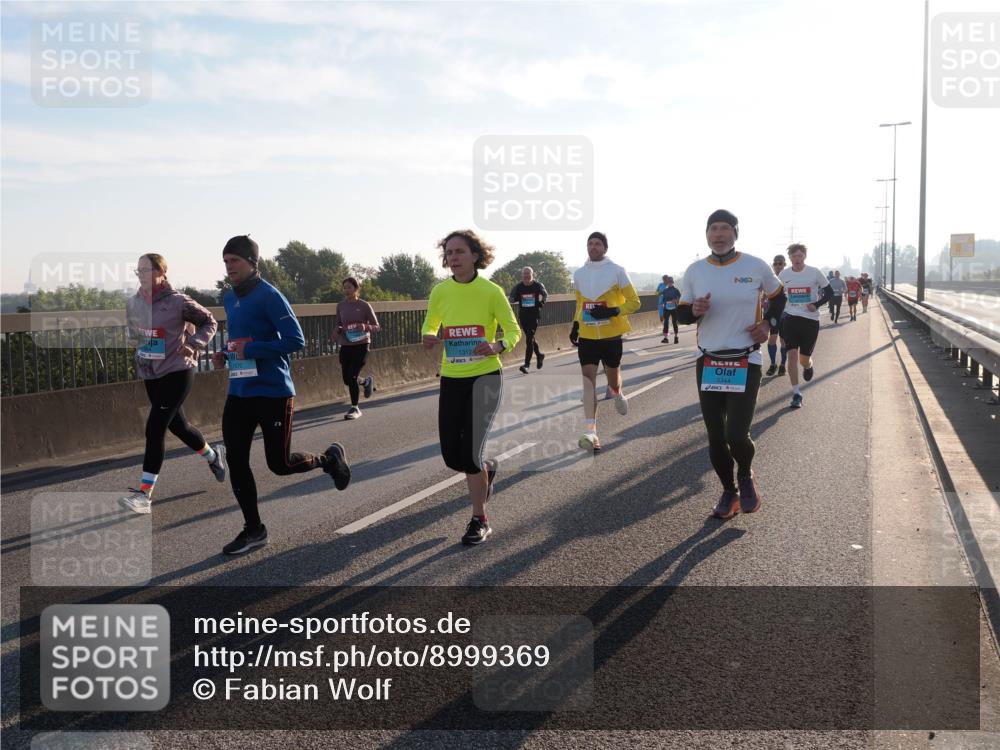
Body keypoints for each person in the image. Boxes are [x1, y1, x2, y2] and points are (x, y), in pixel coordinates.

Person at [211, 235, 352, 555]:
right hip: (240, 390)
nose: (229, 266)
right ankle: (254, 529)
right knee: (236, 458)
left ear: (251, 262)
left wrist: (255, 349)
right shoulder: (229, 298)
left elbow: (295, 340)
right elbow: (239, 339)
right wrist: (224, 353)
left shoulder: (270, 296)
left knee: (280, 464)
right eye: (225, 261)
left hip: (273, 392)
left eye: (234, 260)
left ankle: (328, 459)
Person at [676, 209, 786, 519]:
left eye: (725, 228)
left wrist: (768, 325)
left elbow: (780, 297)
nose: (719, 234)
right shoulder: (696, 270)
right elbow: (682, 314)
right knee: (715, 437)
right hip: (709, 360)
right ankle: (729, 491)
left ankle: (746, 476)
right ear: (707, 234)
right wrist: (695, 310)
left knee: (736, 434)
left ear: (735, 233)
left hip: (745, 359)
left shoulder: (755, 265)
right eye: (713, 229)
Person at [421, 229, 521, 545]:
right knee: (453, 456)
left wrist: (498, 345)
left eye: (459, 251)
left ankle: (480, 518)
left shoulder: (491, 292)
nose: (453, 258)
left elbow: (514, 331)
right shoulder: (440, 292)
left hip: (485, 378)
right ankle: (487, 469)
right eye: (449, 253)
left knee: (470, 454)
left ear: (475, 255)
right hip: (452, 378)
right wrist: (428, 335)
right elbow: (431, 323)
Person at [119, 253, 225, 514]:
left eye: (146, 269)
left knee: (155, 428)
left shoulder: (178, 302)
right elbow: (133, 333)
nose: (141, 274)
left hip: (177, 371)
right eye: (138, 270)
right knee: (180, 426)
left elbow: (209, 321)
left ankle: (144, 496)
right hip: (151, 372)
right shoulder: (133, 303)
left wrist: (192, 344)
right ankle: (214, 456)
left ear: (161, 272)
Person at [569, 231, 641, 452]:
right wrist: (575, 324)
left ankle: (618, 393)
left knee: (612, 383)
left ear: (605, 248)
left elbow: (635, 302)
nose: (593, 247)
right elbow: (580, 303)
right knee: (588, 384)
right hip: (588, 337)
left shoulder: (617, 271)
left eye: (598, 244)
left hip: (611, 336)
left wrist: (613, 310)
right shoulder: (579, 274)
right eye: (590, 243)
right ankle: (592, 432)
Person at [778, 243, 833, 409]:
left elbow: (829, 292)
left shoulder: (814, 272)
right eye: (794, 256)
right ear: (790, 258)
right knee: (792, 355)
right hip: (791, 319)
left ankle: (808, 366)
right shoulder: (784, 274)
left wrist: (816, 304)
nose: (797, 259)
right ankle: (796, 393)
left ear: (805, 257)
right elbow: (777, 294)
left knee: (803, 359)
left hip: (810, 321)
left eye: (800, 256)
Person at [335, 277, 380, 420]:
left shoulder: (364, 305)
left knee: (352, 376)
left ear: (356, 289)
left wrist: (365, 327)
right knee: (347, 379)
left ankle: (355, 408)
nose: (346, 290)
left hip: (362, 345)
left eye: (349, 287)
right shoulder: (340, 306)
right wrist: (338, 330)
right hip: (346, 345)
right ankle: (366, 382)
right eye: (345, 288)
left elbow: (377, 326)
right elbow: (339, 324)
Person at [508, 266, 548, 374]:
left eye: (528, 273)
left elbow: (545, 295)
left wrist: (541, 303)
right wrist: (513, 299)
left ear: (532, 274)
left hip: (534, 316)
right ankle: (539, 355)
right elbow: (511, 298)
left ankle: (526, 365)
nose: (526, 276)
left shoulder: (538, 285)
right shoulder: (518, 287)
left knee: (529, 339)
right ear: (522, 275)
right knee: (530, 338)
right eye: (524, 274)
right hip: (523, 316)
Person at [764, 254, 789, 377]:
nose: (778, 266)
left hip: (786, 314)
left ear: (785, 265)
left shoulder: (790, 277)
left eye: (780, 263)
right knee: (772, 339)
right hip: (773, 314)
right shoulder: (770, 278)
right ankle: (773, 364)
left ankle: (783, 365)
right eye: (776, 263)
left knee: (784, 341)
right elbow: (764, 295)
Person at [657, 275, 682, 344]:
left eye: (671, 282)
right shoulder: (665, 290)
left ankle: (676, 337)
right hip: (666, 308)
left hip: (674, 308)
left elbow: (680, 297)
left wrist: (676, 300)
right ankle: (666, 338)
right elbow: (660, 296)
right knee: (666, 322)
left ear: (673, 282)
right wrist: (659, 294)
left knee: (674, 322)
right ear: (667, 283)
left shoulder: (676, 290)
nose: (670, 283)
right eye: (669, 282)